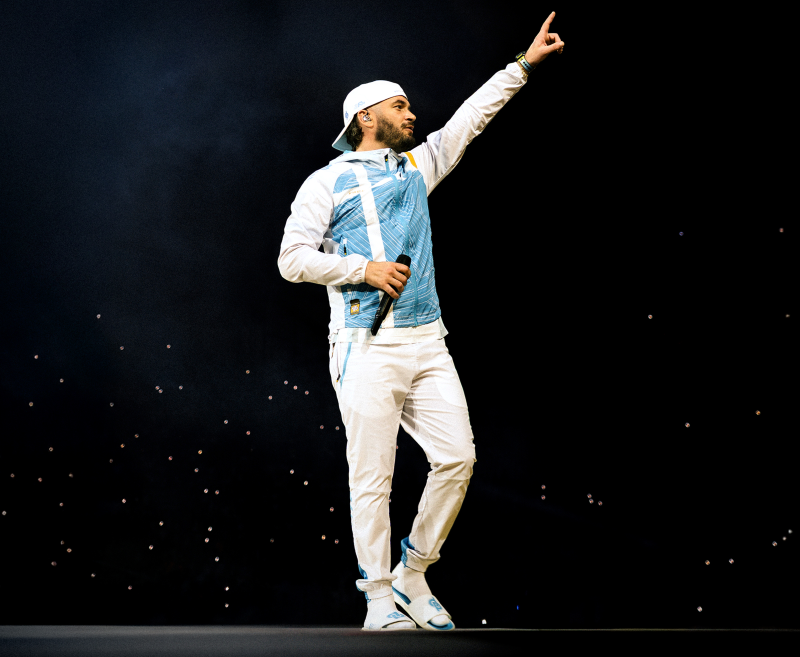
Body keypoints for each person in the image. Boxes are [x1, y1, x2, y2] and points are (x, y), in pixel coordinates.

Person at [278, 12, 565, 631]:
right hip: (366, 346)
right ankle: (378, 598)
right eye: (401, 106)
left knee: (458, 459)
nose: (413, 115)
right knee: (372, 479)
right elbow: (291, 259)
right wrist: (362, 268)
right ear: (366, 117)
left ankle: (413, 573)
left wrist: (522, 66)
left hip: (429, 342)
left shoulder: (415, 168)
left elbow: (470, 118)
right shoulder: (326, 183)